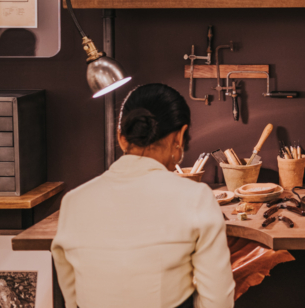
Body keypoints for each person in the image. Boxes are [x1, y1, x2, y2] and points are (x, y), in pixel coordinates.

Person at [51, 84, 234, 308]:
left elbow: (72, 298)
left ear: (121, 137)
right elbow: (217, 301)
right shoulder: (196, 198)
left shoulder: (73, 201)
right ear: (180, 136)